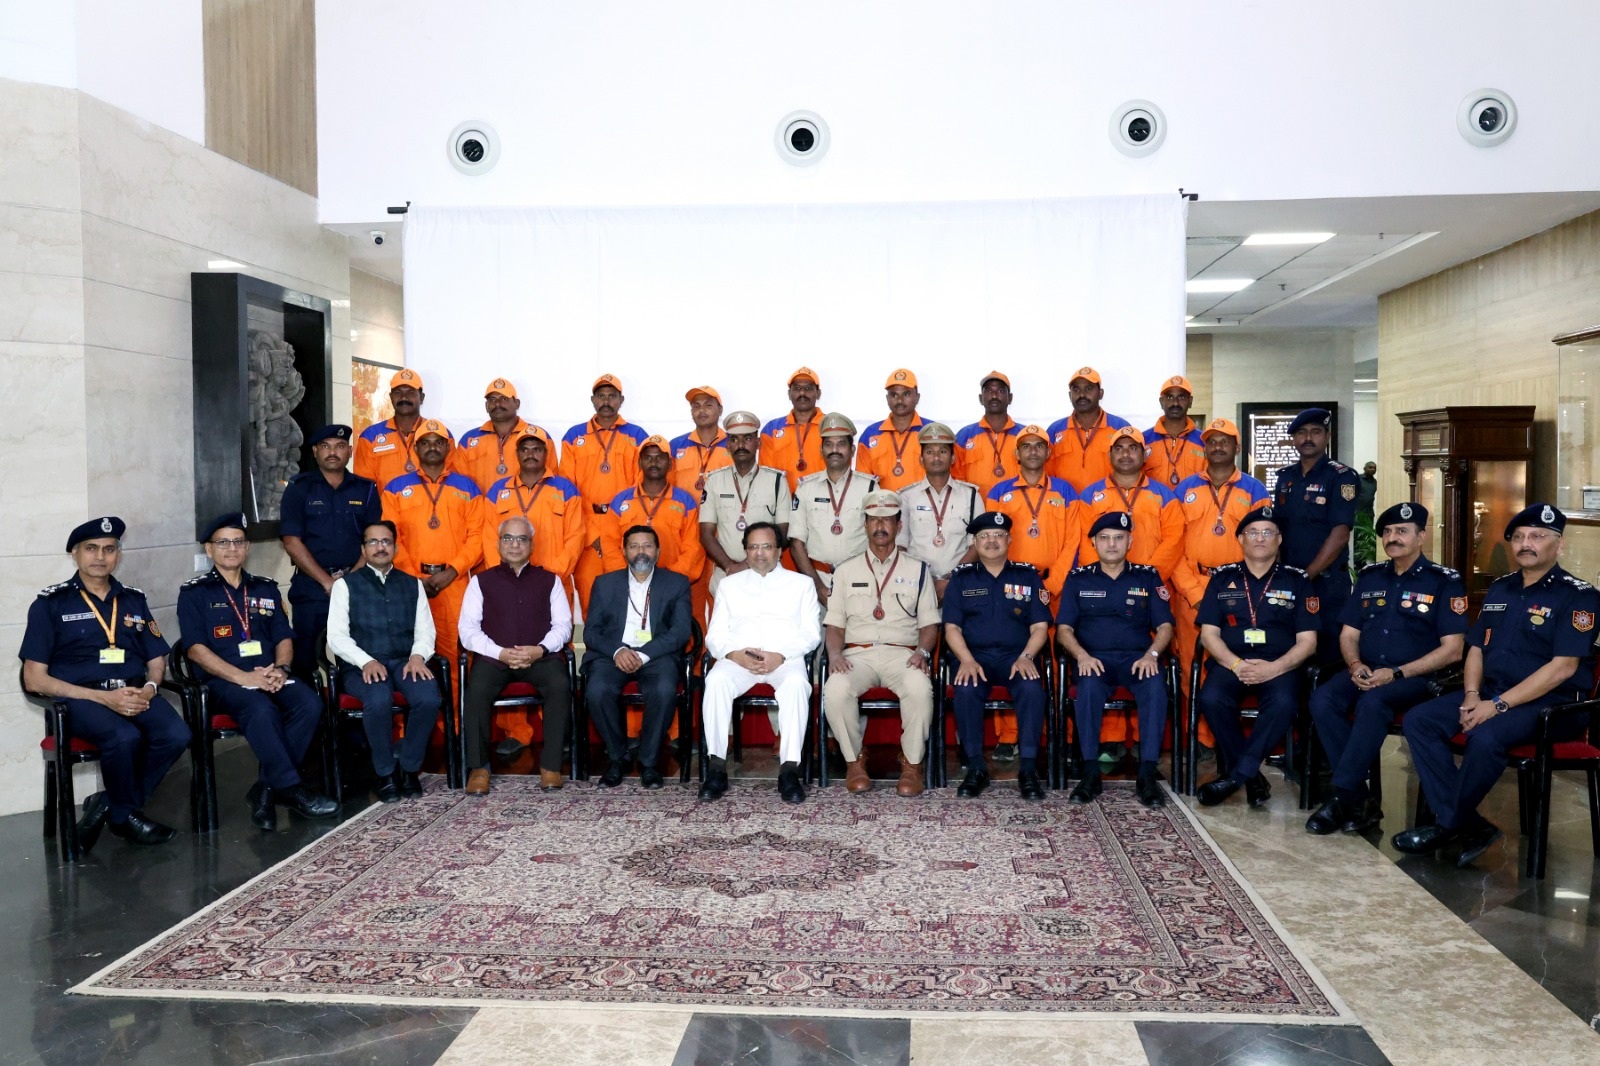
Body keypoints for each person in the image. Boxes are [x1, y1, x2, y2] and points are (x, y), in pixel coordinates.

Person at [1394, 504, 1600, 867]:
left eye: (1537, 536)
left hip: (1553, 705)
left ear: (1559, 545)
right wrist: (1472, 695)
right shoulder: (1501, 588)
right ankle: (1471, 825)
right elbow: (1476, 648)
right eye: (1518, 537)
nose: (1526, 544)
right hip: (1491, 691)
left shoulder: (1579, 596)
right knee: (1419, 720)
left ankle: (1447, 824)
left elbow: (1563, 668)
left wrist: (1498, 705)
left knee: (1485, 736)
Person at [20, 517, 190, 847]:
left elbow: (157, 658)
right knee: (124, 737)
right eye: (91, 548)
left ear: (118, 555)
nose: (100, 556)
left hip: (134, 691)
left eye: (109, 549)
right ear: (75, 554)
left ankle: (112, 806)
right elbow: (34, 678)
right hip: (81, 700)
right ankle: (123, 815)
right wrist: (103, 698)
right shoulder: (50, 604)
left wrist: (150, 689)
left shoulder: (133, 599)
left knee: (176, 735)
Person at [1305, 502, 1467, 835]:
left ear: (1421, 537)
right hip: (1367, 669)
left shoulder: (1444, 581)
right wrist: (1354, 664)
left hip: (1416, 678)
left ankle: (1342, 795)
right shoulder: (1370, 576)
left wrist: (1396, 673)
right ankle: (1360, 798)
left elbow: (1453, 650)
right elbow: (1349, 634)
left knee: (1374, 702)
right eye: (1389, 531)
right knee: (1323, 699)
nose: (1393, 537)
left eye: (1402, 531)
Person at [178, 513, 337, 830]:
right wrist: (243, 678)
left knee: (309, 702)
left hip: (269, 673)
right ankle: (290, 788)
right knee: (260, 708)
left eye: (238, 542)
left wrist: (282, 668)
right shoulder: (195, 593)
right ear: (209, 549)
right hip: (224, 681)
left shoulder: (265, 588)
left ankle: (266, 788)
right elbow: (194, 649)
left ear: (247, 547)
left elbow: (283, 636)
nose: (232, 549)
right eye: (223, 543)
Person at [1194, 506, 1319, 808]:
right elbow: (1208, 635)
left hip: (1280, 665)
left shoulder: (1298, 580)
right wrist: (1236, 665)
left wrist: (1274, 668)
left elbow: (1308, 642)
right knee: (1211, 698)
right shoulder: (1222, 578)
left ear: (1279, 539)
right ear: (1240, 539)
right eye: (1252, 532)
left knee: (1284, 703)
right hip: (1231, 662)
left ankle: (1237, 776)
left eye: (1267, 532)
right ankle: (1252, 777)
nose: (1260, 538)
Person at [822, 492, 941, 796]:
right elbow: (834, 624)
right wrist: (834, 655)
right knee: (835, 689)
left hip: (902, 655)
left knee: (919, 687)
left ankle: (911, 764)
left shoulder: (918, 569)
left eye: (887, 519)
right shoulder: (845, 570)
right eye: (873, 519)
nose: (880, 526)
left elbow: (929, 624)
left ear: (899, 525)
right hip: (857, 655)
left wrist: (922, 651)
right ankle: (854, 761)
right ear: (865, 524)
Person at [1056, 512, 1174, 808]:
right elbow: (1064, 629)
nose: (1112, 544)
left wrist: (1152, 655)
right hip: (1094, 660)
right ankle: (1090, 773)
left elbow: (1165, 626)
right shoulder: (1078, 579)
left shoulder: (1147, 576)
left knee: (1155, 687)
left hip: (1138, 660)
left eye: (1118, 538)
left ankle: (1147, 774)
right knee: (1088, 689)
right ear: (1094, 543)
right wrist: (1081, 656)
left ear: (1129, 542)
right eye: (1105, 538)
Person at [701, 522, 822, 803]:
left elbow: (811, 634)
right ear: (745, 550)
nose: (759, 553)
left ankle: (789, 770)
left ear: (779, 550)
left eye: (766, 547)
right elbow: (715, 635)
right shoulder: (729, 585)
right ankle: (716, 767)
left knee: (796, 685)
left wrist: (781, 655)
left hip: (785, 659)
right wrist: (735, 655)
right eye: (753, 547)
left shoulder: (801, 584)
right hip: (739, 660)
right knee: (715, 680)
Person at [1169, 419, 1270, 752]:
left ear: (1237, 447)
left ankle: (1228, 739)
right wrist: (1194, 593)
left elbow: (1264, 543)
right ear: (1204, 447)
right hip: (1192, 588)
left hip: (1238, 591)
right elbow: (1173, 545)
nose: (1218, 447)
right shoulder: (1184, 489)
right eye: (1212, 441)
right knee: (1190, 666)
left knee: (1234, 660)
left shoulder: (1254, 489)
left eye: (1225, 441)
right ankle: (1198, 737)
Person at [325, 521, 442, 803]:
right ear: (363, 549)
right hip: (361, 666)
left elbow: (425, 630)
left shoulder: (412, 584)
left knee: (428, 698)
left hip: (405, 661)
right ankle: (386, 773)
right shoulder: (345, 586)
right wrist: (365, 661)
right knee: (378, 699)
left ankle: (409, 769)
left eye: (386, 542)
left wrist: (418, 656)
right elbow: (336, 637)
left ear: (396, 548)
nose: (380, 547)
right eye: (373, 542)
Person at [986, 423, 1084, 761]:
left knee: (1058, 662)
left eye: (1039, 445)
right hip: (1010, 587)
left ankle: (1061, 732)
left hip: (1055, 589)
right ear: (1016, 453)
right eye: (1026, 446)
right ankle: (1009, 735)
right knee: (1011, 654)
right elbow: (993, 541)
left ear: (1048, 452)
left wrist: (1052, 585)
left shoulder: (1066, 491)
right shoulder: (999, 492)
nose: (1032, 451)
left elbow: (1073, 541)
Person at [458, 516, 574, 794]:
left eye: (522, 539)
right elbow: (468, 630)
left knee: (560, 684)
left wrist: (540, 649)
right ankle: (479, 768)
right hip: (494, 658)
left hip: (540, 657)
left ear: (532, 545)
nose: (514, 545)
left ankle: (551, 766)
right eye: (508, 538)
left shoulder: (550, 581)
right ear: (498, 544)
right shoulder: (480, 582)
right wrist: (499, 653)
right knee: (476, 690)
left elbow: (563, 626)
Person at [941, 512, 1050, 800]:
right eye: (985, 536)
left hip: (1017, 656)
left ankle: (1028, 769)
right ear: (975, 542)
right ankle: (976, 768)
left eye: (998, 535)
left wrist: (1027, 656)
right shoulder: (961, 579)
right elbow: (951, 628)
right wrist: (966, 659)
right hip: (973, 656)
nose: (992, 541)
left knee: (1031, 689)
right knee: (966, 688)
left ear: (1009, 540)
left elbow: (1040, 627)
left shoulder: (1028, 576)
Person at [582, 524, 694, 789]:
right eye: (634, 546)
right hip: (613, 654)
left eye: (647, 546)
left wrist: (644, 654)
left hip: (656, 655)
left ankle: (649, 762)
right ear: (624, 551)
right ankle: (618, 757)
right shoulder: (605, 583)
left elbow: (680, 632)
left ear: (658, 550)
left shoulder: (676, 583)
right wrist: (618, 650)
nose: (640, 551)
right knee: (597, 690)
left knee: (664, 690)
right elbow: (591, 632)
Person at [382, 419, 485, 683]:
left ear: (448, 447)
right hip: (408, 583)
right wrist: (413, 578)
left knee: (459, 655)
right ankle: (421, 711)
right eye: (425, 443)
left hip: (455, 584)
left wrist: (453, 571)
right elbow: (390, 537)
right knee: (410, 651)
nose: (432, 447)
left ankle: (457, 710)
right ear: (416, 448)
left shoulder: (468, 487)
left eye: (438, 442)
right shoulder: (395, 488)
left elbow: (478, 538)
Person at [279, 423, 382, 676]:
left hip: (356, 586)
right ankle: (312, 703)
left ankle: (349, 703)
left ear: (350, 451)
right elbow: (291, 541)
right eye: (325, 446)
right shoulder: (299, 487)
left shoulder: (366, 489)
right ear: (315, 451)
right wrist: (327, 582)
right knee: (304, 662)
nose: (332, 452)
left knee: (356, 661)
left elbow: (374, 539)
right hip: (312, 588)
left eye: (339, 446)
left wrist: (349, 580)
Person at [1272, 407, 1359, 659]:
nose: (1308, 438)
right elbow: (1278, 529)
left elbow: (1340, 534)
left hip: (1326, 582)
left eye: (1315, 432)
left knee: (1327, 650)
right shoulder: (1285, 477)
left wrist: (1307, 575)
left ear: (1327, 436)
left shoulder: (1341, 477)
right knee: (1288, 643)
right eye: (1301, 432)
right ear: (1294, 439)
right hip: (1289, 579)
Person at [560, 373, 649, 616]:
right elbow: (567, 491)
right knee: (590, 601)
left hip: (622, 530)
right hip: (585, 534)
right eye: (601, 396)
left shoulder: (637, 436)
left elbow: (640, 488)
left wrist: (618, 533)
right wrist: (590, 533)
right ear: (593, 400)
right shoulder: (574, 437)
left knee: (628, 600)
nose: (606, 401)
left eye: (612, 396)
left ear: (621, 400)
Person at [788, 412, 878, 606]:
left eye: (841, 444)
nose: (834, 450)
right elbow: (796, 543)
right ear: (821, 450)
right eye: (828, 444)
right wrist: (817, 586)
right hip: (815, 580)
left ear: (852, 450)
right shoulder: (805, 488)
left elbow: (879, 541)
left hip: (860, 581)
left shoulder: (870, 488)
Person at [1077, 426, 1184, 581]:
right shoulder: (1089, 496)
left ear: (1144, 455)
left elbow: (1173, 541)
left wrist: (1149, 577)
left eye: (1132, 448)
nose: (1125, 454)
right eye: (1119, 449)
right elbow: (1083, 541)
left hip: (1148, 583)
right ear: (1110, 455)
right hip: (1102, 583)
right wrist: (1103, 577)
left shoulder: (1165, 496)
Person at [699, 410, 789, 593]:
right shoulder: (714, 481)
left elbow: (783, 533)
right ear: (727, 445)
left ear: (758, 443)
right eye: (734, 439)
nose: (740, 445)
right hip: (726, 574)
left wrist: (748, 564)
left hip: (766, 574)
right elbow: (705, 533)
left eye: (747, 438)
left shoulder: (777, 481)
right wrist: (729, 566)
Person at [896, 422, 982, 602]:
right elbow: (900, 546)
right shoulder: (906, 497)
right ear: (921, 459)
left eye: (942, 451)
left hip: (960, 586)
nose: (936, 457)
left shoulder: (971, 496)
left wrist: (952, 580)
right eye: (929, 452)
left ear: (953, 458)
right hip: (916, 587)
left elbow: (977, 545)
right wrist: (926, 581)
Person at [602, 435, 705, 584]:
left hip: (671, 585)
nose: (654, 463)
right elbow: (609, 544)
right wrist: (627, 578)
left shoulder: (685, 502)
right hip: (628, 585)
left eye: (660, 458)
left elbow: (693, 549)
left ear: (670, 463)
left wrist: (670, 580)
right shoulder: (620, 501)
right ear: (639, 463)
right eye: (648, 458)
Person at [483, 429, 584, 575]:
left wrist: (552, 577)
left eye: (536, 449)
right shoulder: (497, 490)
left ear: (546, 453)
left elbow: (575, 538)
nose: (530, 455)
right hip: (507, 580)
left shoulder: (566, 490)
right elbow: (490, 539)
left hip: (554, 579)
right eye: (525, 450)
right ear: (517, 454)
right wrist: (503, 575)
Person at [671, 385, 731, 623]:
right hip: (688, 538)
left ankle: (720, 649)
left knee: (723, 603)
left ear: (720, 409)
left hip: (722, 536)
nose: (702, 410)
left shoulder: (734, 445)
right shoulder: (676, 446)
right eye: (696, 406)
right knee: (691, 607)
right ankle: (695, 650)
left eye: (708, 405)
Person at [355, 368, 455, 489]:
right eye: (398, 392)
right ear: (391, 397)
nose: (404, 398)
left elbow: (452, 481)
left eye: (410, 392)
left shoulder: (441, 434)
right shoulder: (370, 437)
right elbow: (364, 488)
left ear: (422, 397)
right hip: (386, 501)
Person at [456, 377, 555, 494]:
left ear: (517, 404)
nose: (497, 404)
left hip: (526, 505)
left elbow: (552, 482)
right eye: (492, 399)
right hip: (480, 505)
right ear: (486, 406)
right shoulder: (468, 440)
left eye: (504, 398)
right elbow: (458, 486)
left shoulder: (539, 437)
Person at [1047, 366, 1134, 494]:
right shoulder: (1055, 430)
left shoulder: (1120, 428)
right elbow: (1046, 474)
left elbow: (1132, 472)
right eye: (1076, 390)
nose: (1082, 395)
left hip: (1108, 502)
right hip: (1066, 502)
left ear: (1100, 393)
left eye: (1088, 389)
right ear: (1070, 395)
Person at [857, 368, 930, 492]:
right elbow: (862, 483)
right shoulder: (870, 435)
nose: (900, 400)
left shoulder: (931, 432)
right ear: (887, 399)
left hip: (924, 503)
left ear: (917, 397)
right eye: (894, 395)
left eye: (906, 394)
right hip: (882, 504)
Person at [954, 371, 1022, 498]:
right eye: (989, 391)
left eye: (1000, 391)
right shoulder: (965, 436)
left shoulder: (1024, 436)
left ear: (1010, 398)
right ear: (981, 398)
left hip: (1016, 507)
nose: (994, 396)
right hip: (977, 508)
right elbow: (956, 479)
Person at [761, 367, 826, 494]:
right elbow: (766, 476)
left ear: (818, 393)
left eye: (808, 388)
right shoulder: (771, 429)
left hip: (822, 502)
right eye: (797, 388)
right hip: (782, 502)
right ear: (789, 394)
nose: (802, 393)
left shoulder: (831, 427)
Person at [1143, 375, 1207, 490]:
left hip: (1192, 501)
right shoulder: (1143, 441)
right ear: (1161, 402)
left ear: (1190, 401)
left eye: (1181, 397)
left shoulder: (1204, 442)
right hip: (1154, 502)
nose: (1175, 403)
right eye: (1169, 397)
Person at [1354, 461, 1379, 566]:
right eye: (1370, 467)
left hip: (1369, 513)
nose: (1373, 469)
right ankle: (1356, 561)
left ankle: (1363, 560)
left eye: (1374, 468)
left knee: (1366, 537)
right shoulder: (1358, 479)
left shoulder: (1375, 482)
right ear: (1365, 468)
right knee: (1357, 537)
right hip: (1358, 513)